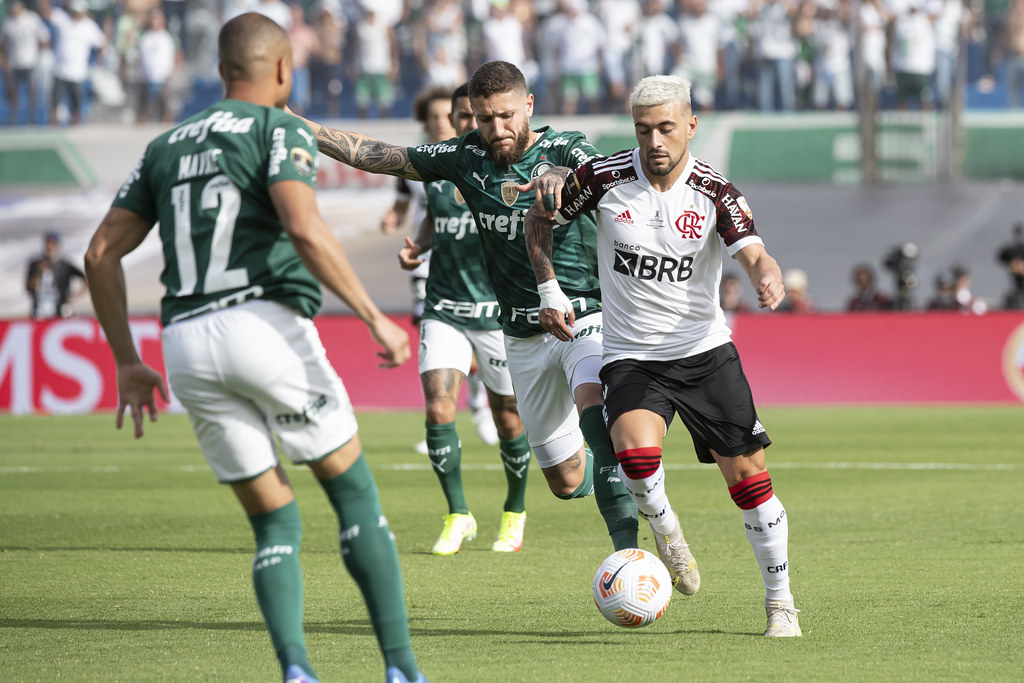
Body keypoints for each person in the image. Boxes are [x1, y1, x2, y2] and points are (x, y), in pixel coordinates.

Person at [82, 14, 425, 683]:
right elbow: (303, 226)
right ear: (281, 71)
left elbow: (99, 254)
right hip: (261, 326)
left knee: (274, 522)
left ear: (220, 72)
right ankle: (403, 669)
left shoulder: (165, 145)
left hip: (183, 343)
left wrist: (127, 359)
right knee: (353, 495)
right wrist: (374, 318)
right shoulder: (280, 127)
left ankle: (296, 668)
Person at [291, 60, 643, 557]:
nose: (496, 129)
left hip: (580, 314)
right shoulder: (464, 156)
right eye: (484, 118)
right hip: (518, 333)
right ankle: (596, 462)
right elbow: (382, 155)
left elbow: (589, 170)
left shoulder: (565, 146)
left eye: (506, 116)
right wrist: (306, 129)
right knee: (565, 481)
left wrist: (563, 177)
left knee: (594, 408)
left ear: (529, 107)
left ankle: (629, 555)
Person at [524, 74, 801, 636]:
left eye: (667, 128)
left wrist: (767, 277)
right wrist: (549, 290)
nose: (655, 141)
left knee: (750, 481)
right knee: (634, 456)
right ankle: (667, 533)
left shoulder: (716, 192)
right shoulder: (601, 180)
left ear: (690, 127)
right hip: (631, 356)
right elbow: (539, 217)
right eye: (643, 129)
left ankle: (780, 601)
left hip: (705, 354)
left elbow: (754, 254)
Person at [396, 83, 532, 555]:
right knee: (438, 408)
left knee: (508, 420)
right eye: (460, 117)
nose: (463, 125)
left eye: (469, 118)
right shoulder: (440, 169)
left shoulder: (502, 167)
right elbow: (438, 218)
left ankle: (514, 512)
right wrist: (419, 244)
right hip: (445, 307)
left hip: (495, 313)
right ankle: (458, 514)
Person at [377, 85, 498, 453]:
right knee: (434, 335)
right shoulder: (416, 162)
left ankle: (481, 405)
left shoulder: (476, 157)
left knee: (475, 334)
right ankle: (443, 415)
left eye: (447, 116)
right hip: (428, 261)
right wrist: (392, 219)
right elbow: (402, 205)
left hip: (473, 263)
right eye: (433, 118)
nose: (440, 123)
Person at [1, 0, 51, 125]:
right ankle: (13, 117)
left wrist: (41, 57)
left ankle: (32, 117)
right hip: (14, 62)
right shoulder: (8, 23)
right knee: (13, 90)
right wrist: (3, 60)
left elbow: (44, 38)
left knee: (32, 89)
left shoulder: (32, 19)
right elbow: (2, 44)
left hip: (31, 61)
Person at [26, 230, 87, 319]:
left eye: (52, 243)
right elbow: (29, 288)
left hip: (59, 313)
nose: (49, 246)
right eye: (47, 243)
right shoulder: (35, 264)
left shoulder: (65, 265)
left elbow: (87, 280)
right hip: (38, 314)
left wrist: (72, 297)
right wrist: (38, 273)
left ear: (58, 245)